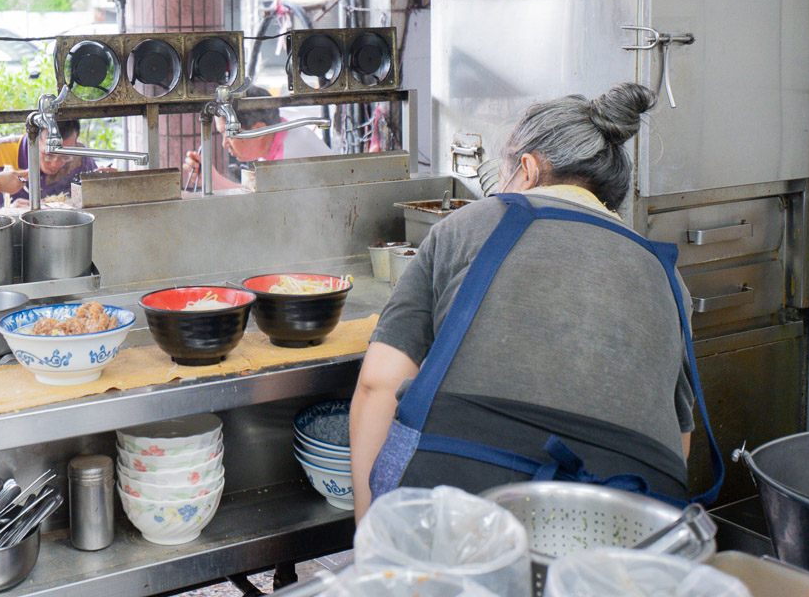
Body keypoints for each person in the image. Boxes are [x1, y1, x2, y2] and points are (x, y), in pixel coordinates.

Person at [350, 83, 721, 521]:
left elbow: (379, 385)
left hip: (460, 492)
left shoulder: (469, 224)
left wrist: (369, 540)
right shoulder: (666, 275)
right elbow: (675, 443)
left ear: (526, 170)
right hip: (625, 517)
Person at [181, 86, 331, 190]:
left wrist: (214, 180)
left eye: (230, 134)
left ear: (259, 130)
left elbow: (263, 208)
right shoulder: (280, 143)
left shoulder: (293, 151)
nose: (224, 144)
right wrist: (212, 180)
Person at [0, 120, 102, 206]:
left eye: (65, 156)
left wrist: (106, 182)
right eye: (48, 155)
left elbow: (93, 201)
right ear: (33, 139)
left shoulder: (80, 156)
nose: (55, 164)